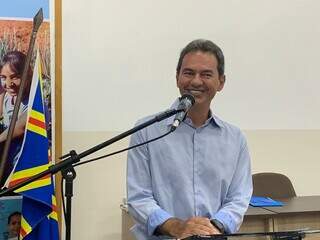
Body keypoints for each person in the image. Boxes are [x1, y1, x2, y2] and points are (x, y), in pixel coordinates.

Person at [127, 39, 253, 240]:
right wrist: (177, 227)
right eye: (188, 73)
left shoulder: (235, 139)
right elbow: (139, 198)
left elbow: (239, 198)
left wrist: (213, 227)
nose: (196, 81)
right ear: (177, 78)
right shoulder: (146, 132)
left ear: (221, 82)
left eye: (206, 74)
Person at [0, 51, 32, 186]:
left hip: (22, 172)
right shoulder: (4, 98)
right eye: (3, 77)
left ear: (28, 76)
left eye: (15, 77)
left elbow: (20, 127)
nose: (8, 83)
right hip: (5, 167)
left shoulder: (33, 102)